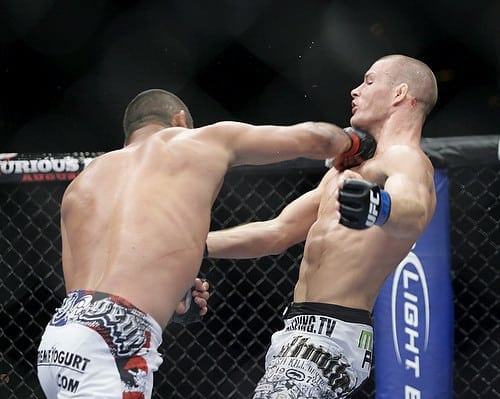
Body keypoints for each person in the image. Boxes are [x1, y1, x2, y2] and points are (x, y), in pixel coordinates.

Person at [36, 88, 376, 399]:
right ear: (180, 120)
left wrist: (174, 295)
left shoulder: (84, 183)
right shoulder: (199, 140)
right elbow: (319, 138)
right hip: (114, 344)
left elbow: (91, 291)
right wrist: (354, 143)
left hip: (59, 339)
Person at [206, 54, 439, 398]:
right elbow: (277, 232)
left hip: (333, 335)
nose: (356, 90)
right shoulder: (343, 174)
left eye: (370, 81)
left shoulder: (406, 159)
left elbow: (414, 211)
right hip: (294, 332)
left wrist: (379, 205)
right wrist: (192, 246)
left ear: (400, 94)